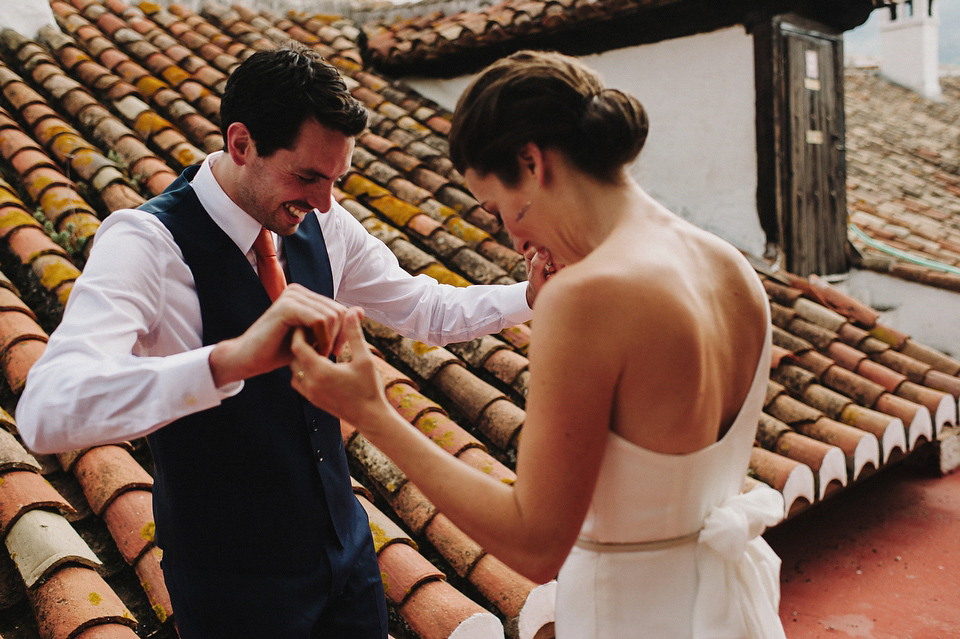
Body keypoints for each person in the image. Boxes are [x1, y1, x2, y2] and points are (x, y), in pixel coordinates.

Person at [14, 43, 541, 639]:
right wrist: (230, 359)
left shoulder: (323, 219)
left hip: (348, 566)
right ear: (241, 143)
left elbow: (424, 307)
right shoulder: (145, 245)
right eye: (308, 176)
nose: (323, 202)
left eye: (335, 179)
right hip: (232, 592)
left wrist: (528, 297)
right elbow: (46, 409)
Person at [289, 50, 788, 638]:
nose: (512, 234)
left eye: (497, 208)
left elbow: (535, 544)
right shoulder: (730, 268)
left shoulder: (587, 298)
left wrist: (374, 415)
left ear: (532, 162)